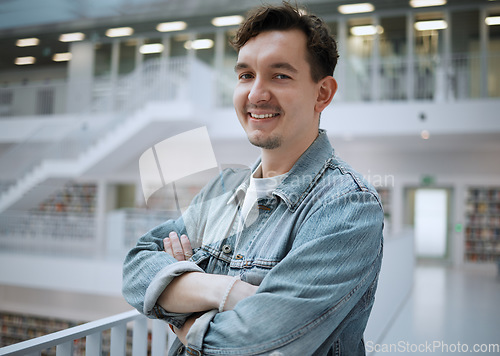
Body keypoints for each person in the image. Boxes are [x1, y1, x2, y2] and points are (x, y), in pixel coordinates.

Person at [122, 2, 384, 355]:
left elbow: (256, 340)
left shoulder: (347, 206)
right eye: (246, 75)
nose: (256, 94)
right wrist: (222, 291)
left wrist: (180, 310)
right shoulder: (223, 190)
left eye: (280, 75)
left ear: (322, 93)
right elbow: (137, 265)